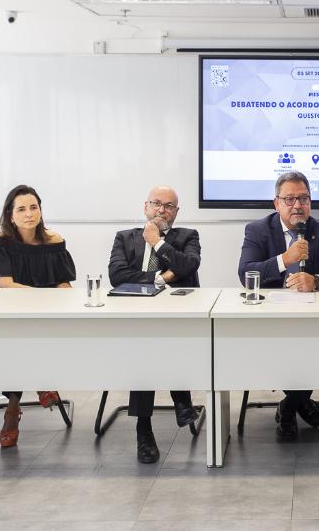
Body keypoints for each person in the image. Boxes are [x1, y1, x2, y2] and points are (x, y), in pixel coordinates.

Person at [238, 171, 319, 441]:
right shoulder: (257, 230)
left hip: (313, 319)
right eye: (289, 199)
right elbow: (245, 273)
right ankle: (300, 400)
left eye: (303, 199)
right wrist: (284, 259)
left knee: (316, 347)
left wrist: (317, 281)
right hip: (270, 319)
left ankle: (289, 406)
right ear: (276, 204)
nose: (297, 205)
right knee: (284, 350)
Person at [108, 185, 202, 464]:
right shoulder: (124, 237)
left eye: (169, 206)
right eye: (157, 203)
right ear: (145, 207)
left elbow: (189, 266)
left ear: (176, 212)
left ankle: (146, 426)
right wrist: (162, 278)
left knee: (152, 345)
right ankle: (177, 403)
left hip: (177, 319)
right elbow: (117, 275)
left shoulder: (187, 236)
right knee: (145, 346)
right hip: (136, 319)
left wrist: (158, 243)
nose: (162, 210)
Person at [0, 184, 76, 449]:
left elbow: (62, 281)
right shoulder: (0, 241)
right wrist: (46, 297)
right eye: (21, 209)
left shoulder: (53, 241)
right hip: (7, 312)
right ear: (11, 215)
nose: (29, 214)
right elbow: (6, 285)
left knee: (34, 335)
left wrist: (68, 297)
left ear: (41, 211)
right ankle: (33, 390)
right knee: (18, 338)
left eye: (34, 207)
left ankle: (14, 408)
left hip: (42, 315)